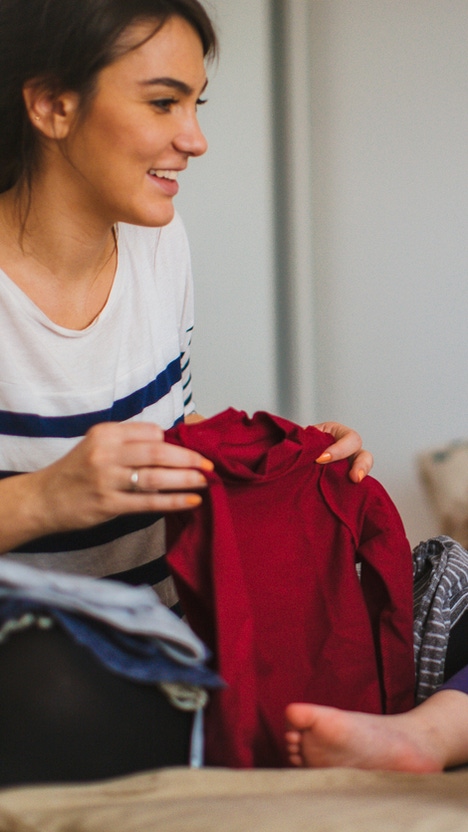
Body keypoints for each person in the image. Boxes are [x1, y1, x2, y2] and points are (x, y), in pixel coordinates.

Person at [0, 0, 370, 785]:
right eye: (164, 102)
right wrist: (41, 500)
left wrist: (287, 464)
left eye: (197, 105)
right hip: (44, 657)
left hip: (167, 627)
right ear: (51, 105)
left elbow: (173, 438)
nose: (194, 139)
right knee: (46, 687)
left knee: (441, 582)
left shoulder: (159, 242)